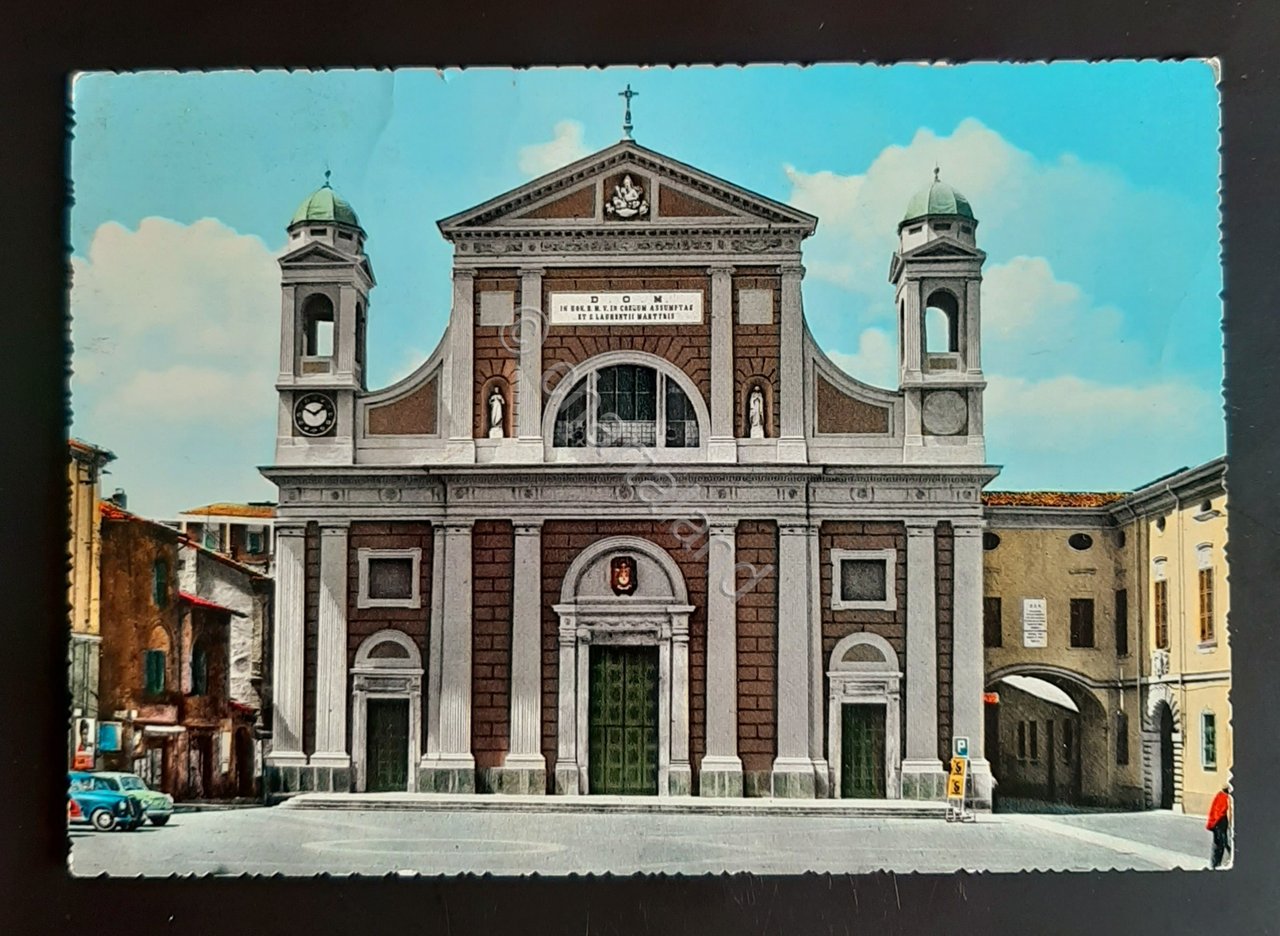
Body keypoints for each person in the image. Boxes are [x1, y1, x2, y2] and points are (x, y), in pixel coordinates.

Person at [1206, 784, 1231, 869]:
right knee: (1222, 843)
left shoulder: (1219, 795)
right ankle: (1217, 863)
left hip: (1216, 823)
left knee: (1218, 843)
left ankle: (1215, 863)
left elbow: (1214, 810)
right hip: (1220, 822)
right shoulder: (1225, 797)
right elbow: (1221, 811)